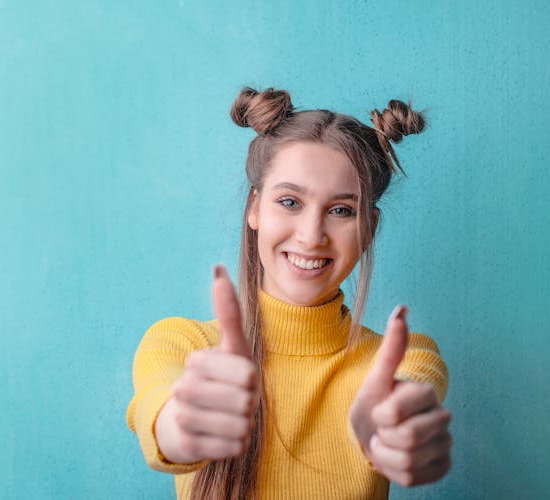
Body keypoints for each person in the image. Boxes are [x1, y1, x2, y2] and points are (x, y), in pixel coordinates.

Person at [126, 87, 452, 499]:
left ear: (368, 227)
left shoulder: (401, 357)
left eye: (341, 211)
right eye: (290, 201)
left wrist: (398, 420)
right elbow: (163, 415)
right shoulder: (180, 344)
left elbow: (413, 388)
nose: (311, 235)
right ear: (255, 208)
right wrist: (183, 424)